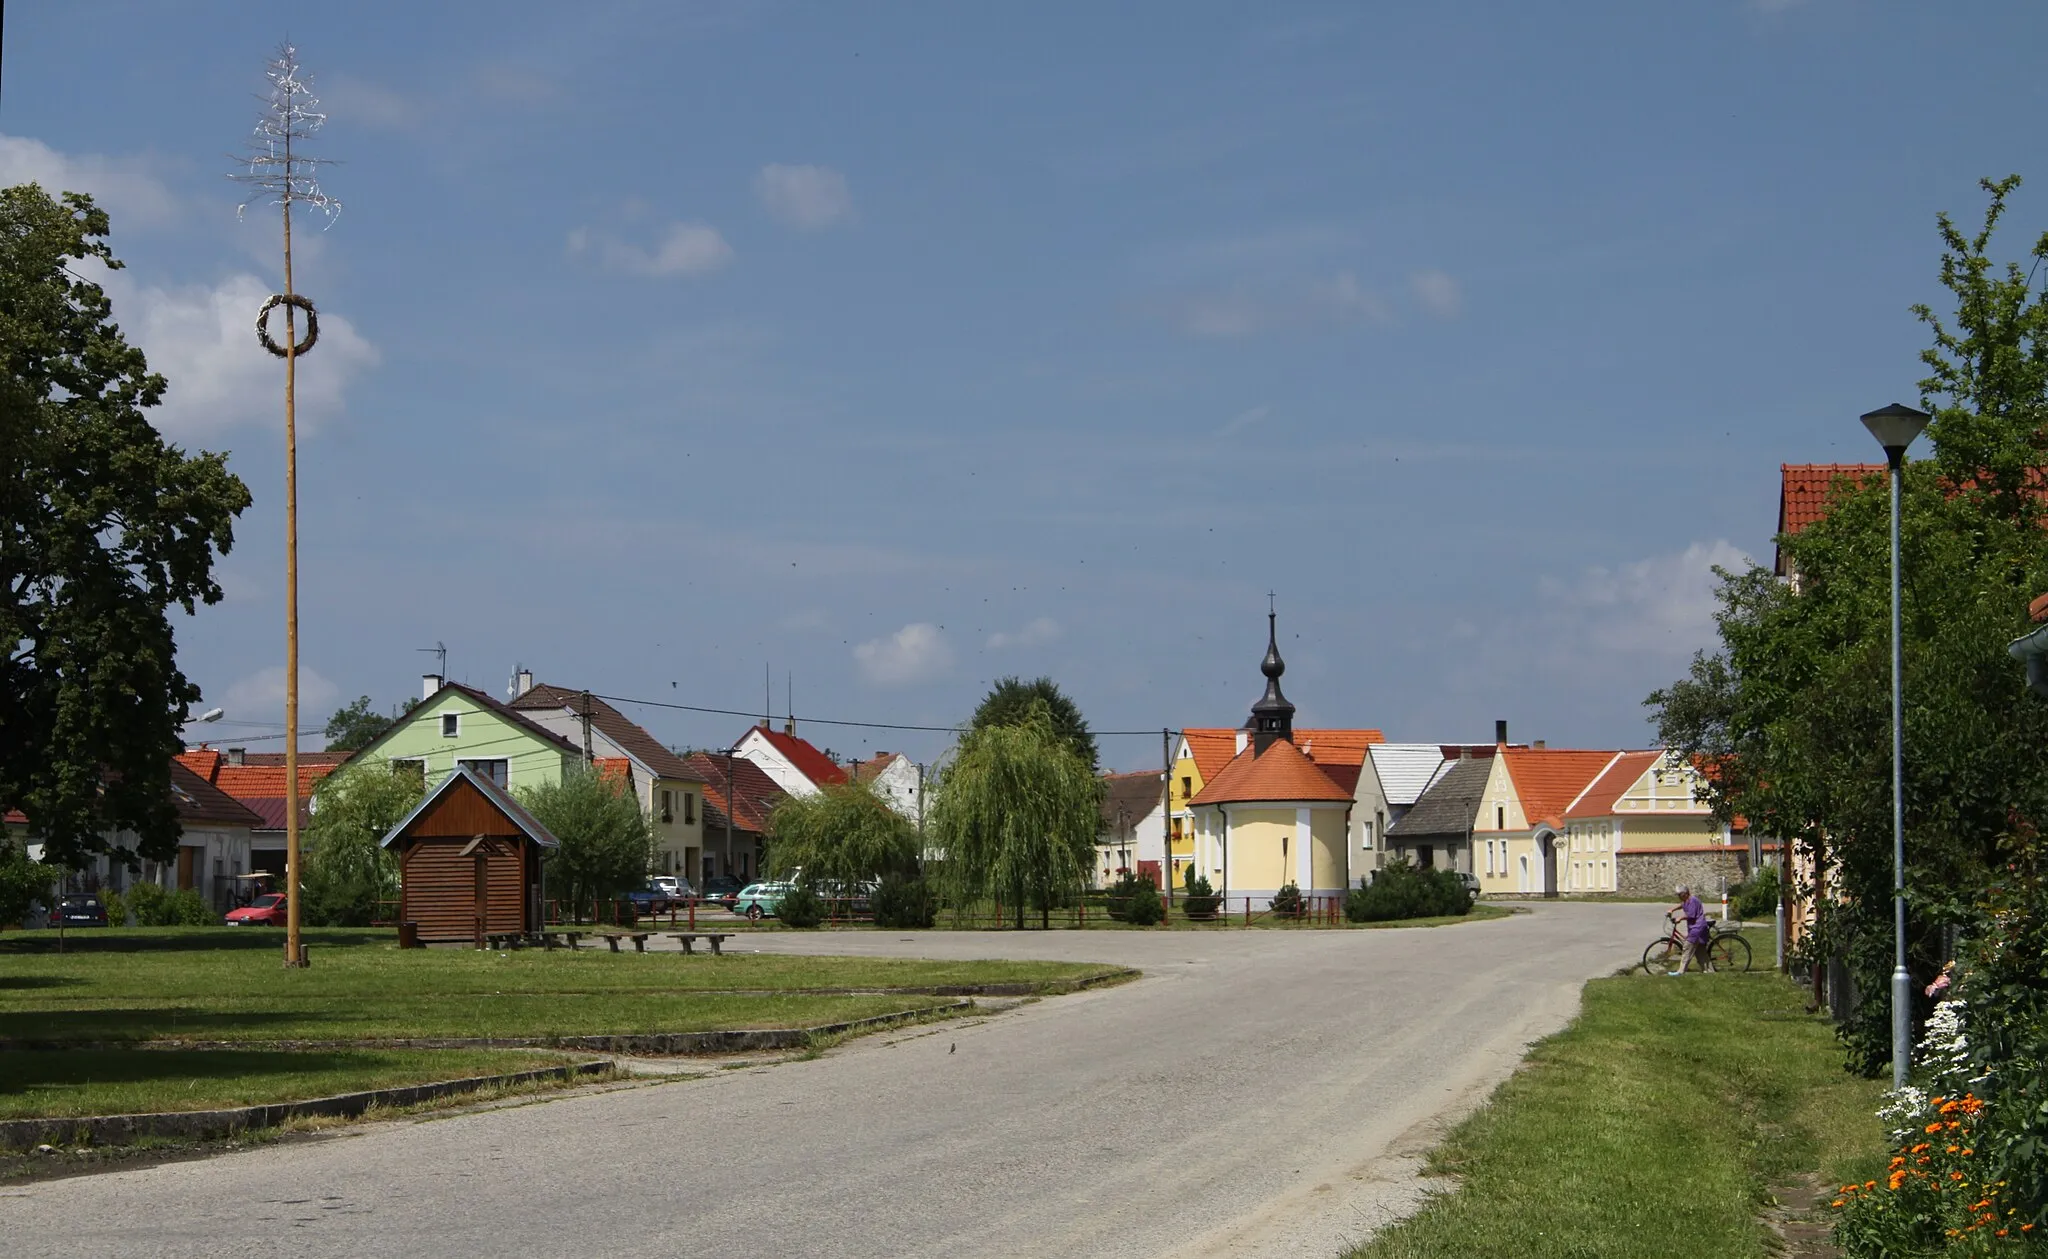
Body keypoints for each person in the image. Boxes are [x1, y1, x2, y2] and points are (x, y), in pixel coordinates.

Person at [1668, 883, 1713, 975]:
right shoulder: (1687, 901)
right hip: (1697, 928)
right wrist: (1672, 909)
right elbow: (1682, 905)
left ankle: (1680, 971)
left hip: (1697, 928)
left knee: (1687, 947)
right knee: (1700, 951)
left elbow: (1691, 915)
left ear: (1685, 893)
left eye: (1680, 895)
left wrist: (1680, 918)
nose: (1679, 897)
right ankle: (1709, 971)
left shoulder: (1693, 901)